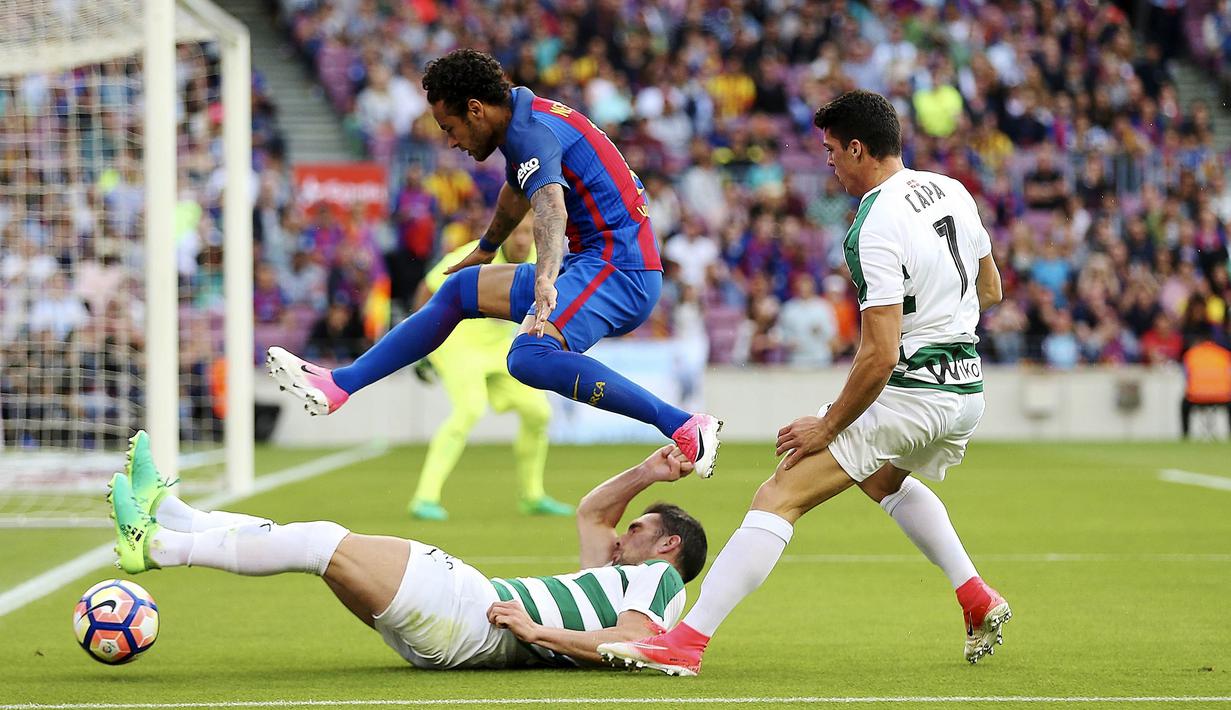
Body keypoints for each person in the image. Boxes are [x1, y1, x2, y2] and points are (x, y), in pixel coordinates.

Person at [600, 90, 1011, 675]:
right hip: (965, 389)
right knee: (881, 479)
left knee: (779, 494)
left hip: (912, 387)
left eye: (831, 150)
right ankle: (974, 595)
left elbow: (879, 354)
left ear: (858, 148)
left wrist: (828, 425)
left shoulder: (874, 223)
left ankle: (685, 643)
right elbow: (989, 290)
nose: (828, 162)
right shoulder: (952, 190)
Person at [267, 49, 722, 478]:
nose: (451, 142)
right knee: (461, 291)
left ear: (475, 109)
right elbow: (516, 193)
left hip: (619, 270)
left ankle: (684, 425)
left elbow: (548, 205)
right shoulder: (524, 121)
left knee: (528, 357)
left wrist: (545, 277)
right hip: (600, 262)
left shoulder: (530, 133)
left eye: (450, 127)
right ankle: (339, 385)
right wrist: (487, 247)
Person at [109, 430, 707, 669]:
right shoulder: (617, 575)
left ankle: (159, 548)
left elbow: (632, 645)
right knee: (318, 547)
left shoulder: (660, 582)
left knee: (321, 541)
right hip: (469, 623)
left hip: (477, 617)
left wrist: (535, 630)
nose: (622, 534)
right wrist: (648, 473)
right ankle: (177, 518)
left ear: (668, 546)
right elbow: (593, 514)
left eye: (639, 529)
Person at [408, 215, 571, 521]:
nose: (523, 239)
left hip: (498, 347)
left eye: (528, 232)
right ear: (505, 233)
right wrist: (421, 345)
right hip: (457, 342)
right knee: (469, 408)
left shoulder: (543, 258)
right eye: (517, 232)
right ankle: (424, 498)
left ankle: (532, 496)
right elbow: (426, 288)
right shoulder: (477, 254)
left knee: (539, 413)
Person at [1180, 332, 1231, 439]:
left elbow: (1186, 375)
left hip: (1195, 396)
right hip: (1222, 397)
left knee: (1184, 405)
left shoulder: (1191, 354)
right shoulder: (1224, 354)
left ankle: (1186, 435)